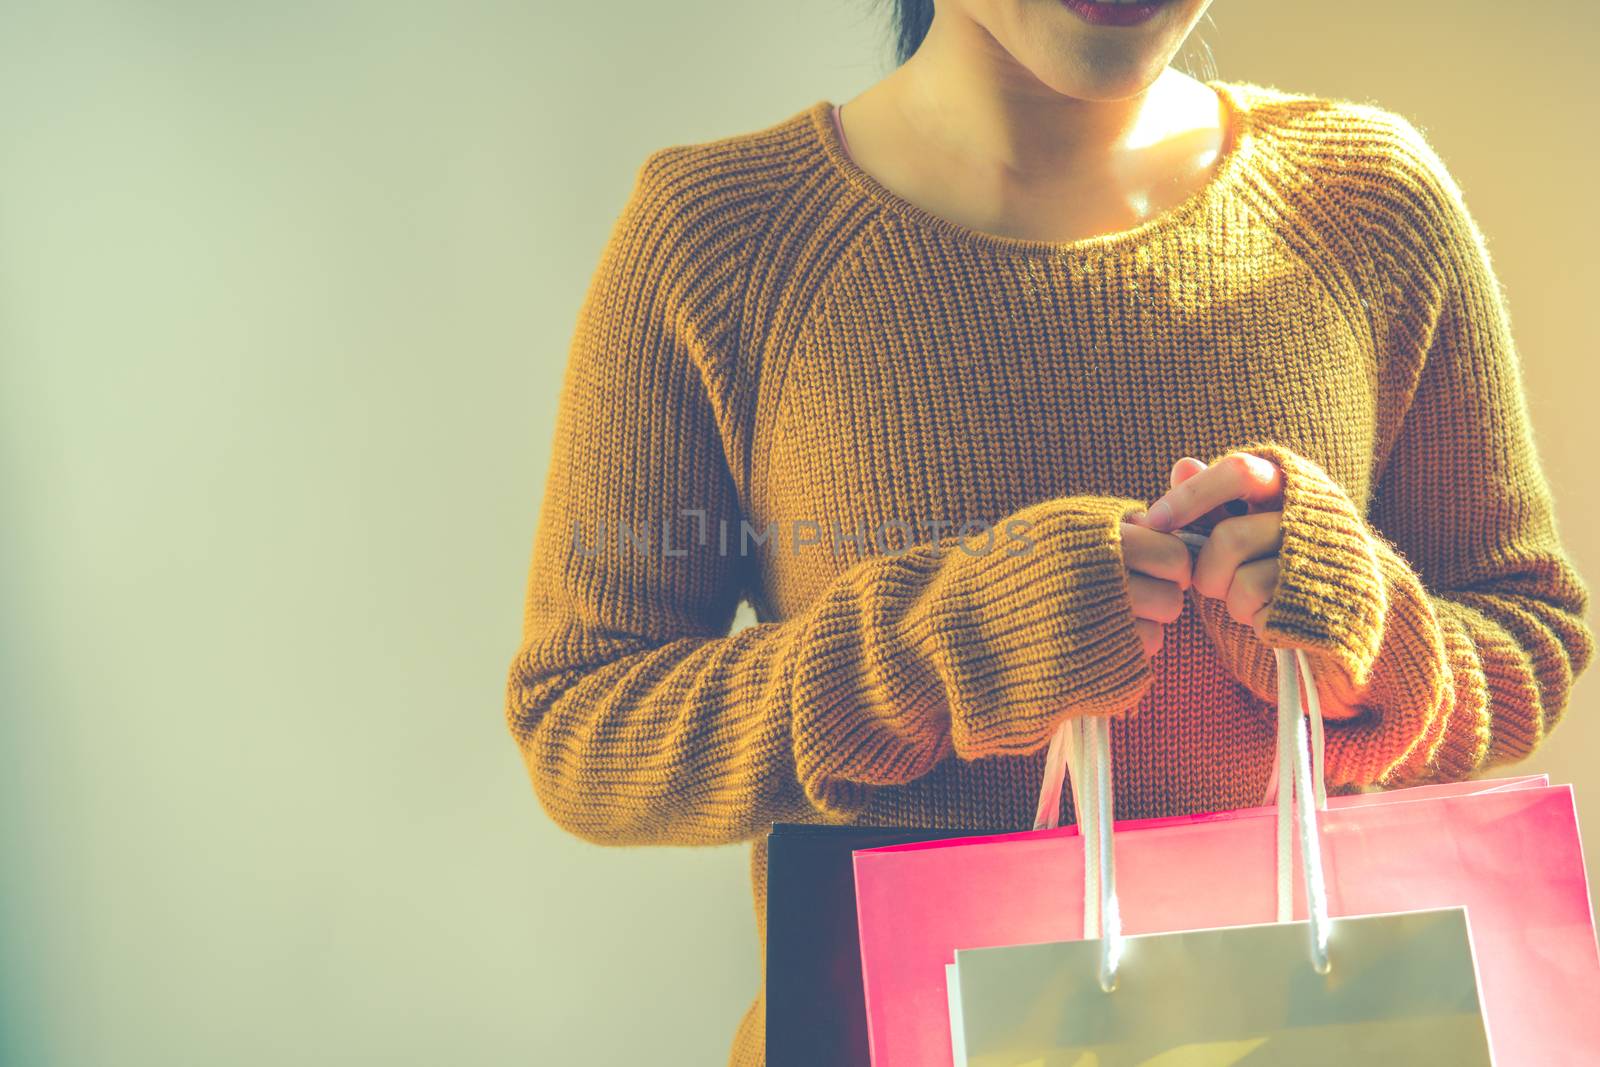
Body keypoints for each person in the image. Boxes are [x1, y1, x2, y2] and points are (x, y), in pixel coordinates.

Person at [504, 1, 1595, 1063]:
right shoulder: (719, 236)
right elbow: (583, 722)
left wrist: (1366, 628)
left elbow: (1530, 632)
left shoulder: (1368, 198)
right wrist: (939, 650)